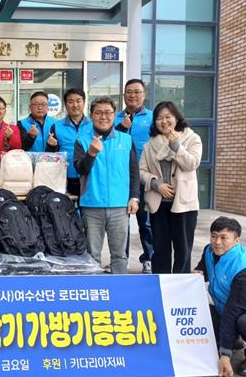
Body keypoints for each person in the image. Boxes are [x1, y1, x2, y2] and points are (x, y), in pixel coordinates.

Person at [74, 96, 139, 274]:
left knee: (119, 255)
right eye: (98, 113)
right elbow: (80, 169)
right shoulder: (82, 140)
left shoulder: (126, 140)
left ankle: (120, 288)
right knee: (92, 255)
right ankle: (93, 289)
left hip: (120, 206)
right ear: (91, 115)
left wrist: (134, 197)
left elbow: (134, 171)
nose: (104, 117)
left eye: (108, 112)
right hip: (92, 205)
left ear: (115, 115)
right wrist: (91, 153)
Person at [139, 101, 202, 274]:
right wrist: (156, 184)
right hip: (159, 204)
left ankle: (180, 285)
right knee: (160, 250)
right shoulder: (150, 145)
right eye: (159, 118)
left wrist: (176, 145)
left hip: (184, 204)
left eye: (168, 117)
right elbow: (142, 171)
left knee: (183, 250)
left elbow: (191, 164)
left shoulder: (192, 138)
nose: (164, 121)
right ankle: (161, 283)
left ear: (176, 118)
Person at [194, 217, 246, 377]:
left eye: (224, 237)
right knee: (200, 310)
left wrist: (225, 355)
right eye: (214, 236)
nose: (217, 242)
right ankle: (233, 339)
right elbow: (204, 270)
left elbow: (233, 311)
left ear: (236, 241)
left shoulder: (245, 270)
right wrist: (195, 275)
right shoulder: (209, 251)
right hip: (226, 306)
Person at [114, 79, 154, 273]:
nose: (133, 95)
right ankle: (122, 260)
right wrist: (121, 127)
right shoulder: (114, 117)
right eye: (129, 92)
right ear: (124, 95)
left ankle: (149, 258)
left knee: (145, 222)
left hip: (144, 176)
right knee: (121, 223)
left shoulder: (153, 117)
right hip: (121, 177)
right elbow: (107, 140)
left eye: (137, 92)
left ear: (144, 95)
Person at [49, 88, 92, 197]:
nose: (75, 105)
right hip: (66, 177)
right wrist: (51, 146)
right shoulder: (56, 126)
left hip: (90, 176)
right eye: (70, 101)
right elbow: (51, 156)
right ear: (65, 105)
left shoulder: (94, 125)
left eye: (78, 101)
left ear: (84, 103)